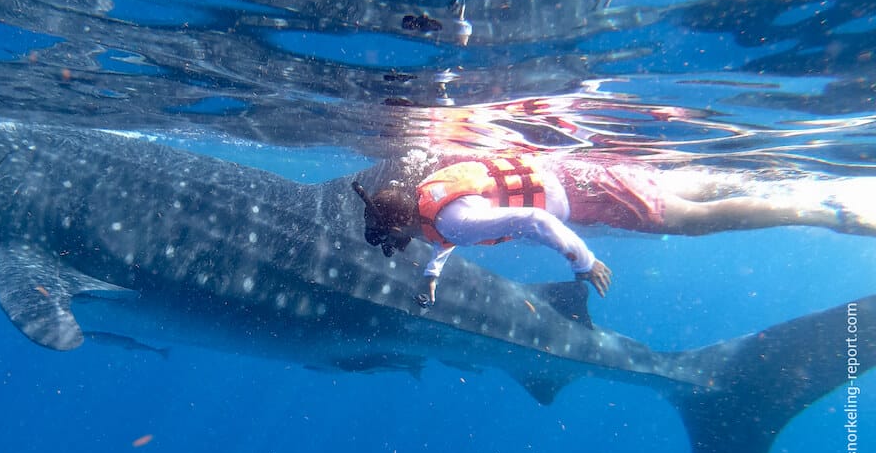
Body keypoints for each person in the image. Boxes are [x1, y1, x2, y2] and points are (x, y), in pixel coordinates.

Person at [352, 151, 875, 307]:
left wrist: (584, 262)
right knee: (690, 188)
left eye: (399, 240)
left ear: (403, 223)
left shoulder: (447, 221)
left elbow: (533, 219)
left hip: (591, 199)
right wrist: (431, 275)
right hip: (586, 172)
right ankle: (785, 181)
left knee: (693, 222)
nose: (406, 244)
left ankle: (821, 211)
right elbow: (455, 228)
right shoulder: (432, 191)